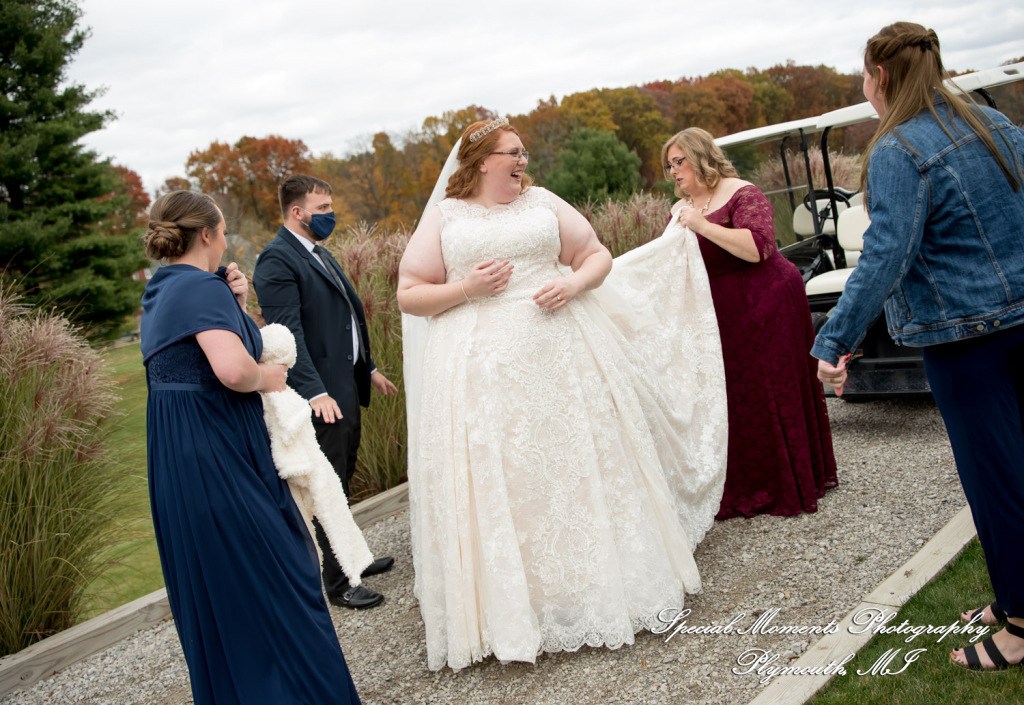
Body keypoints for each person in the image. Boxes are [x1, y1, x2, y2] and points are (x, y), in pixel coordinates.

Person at [397, 117, 728, 671]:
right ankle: (519, 607)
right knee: (510, 477)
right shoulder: (445, 217)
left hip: (562, 357)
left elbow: (594, 253)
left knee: (574, 467)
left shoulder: (544, 202)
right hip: (481, 373)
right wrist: (466, 288)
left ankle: (596, 585)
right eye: (512, 153)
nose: (523, 161)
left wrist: (573, 283)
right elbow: (410, 294)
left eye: (524, 152)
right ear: (481, 162)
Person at [813, 22, 1024, 671]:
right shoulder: (999, 127)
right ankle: (1011, 595)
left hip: (967, 339)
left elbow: (886, 254)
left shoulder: (899, 150)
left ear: (880, 77)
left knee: (997, 479)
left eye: (864, 76)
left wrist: (835, 337)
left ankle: (1019, 624)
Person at [141, 191, 362, 704]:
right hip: (217, 453)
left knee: (226, 590)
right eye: (221, 232)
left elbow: (199, 355)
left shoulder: (162, 289)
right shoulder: (199, 288)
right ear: (206, 234)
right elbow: (234, 370)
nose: (223, 243)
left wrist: (236, 305)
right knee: (281, 576)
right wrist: (271, 377)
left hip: (180, 455)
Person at [663, 127, 838, 520]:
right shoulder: (682, 207)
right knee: (734, 395)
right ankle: (745, 483)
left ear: (702, 157)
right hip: (722, 313)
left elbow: (759, 248)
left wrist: (703, 225)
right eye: (669, 165)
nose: (673, 171)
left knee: (770, 391)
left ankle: (787, 483)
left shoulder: (743, 193)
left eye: (680, 161)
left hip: (768, 301)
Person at [253, 175, 397, 610]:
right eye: (323, 207)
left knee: (343, 474)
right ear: (297, 212)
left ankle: (352, 558)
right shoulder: (277, 261)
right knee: (327, 482)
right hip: (322, 396)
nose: (330, 214)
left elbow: (345, 319)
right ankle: (338, 583)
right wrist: (315, 392)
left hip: (345, 386)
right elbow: (287, 334)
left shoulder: (319, 252)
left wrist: (368, 367)